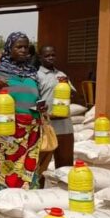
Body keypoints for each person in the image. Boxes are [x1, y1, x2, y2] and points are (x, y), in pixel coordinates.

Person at [0, 32, 45, 197]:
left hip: (30, 134)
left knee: (28, 172)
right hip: (7, 133)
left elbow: (34, 99)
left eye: (26, 47)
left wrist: (41, 108)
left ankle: (26, 205)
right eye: (18, 46)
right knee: (5, 171)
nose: (23, 50)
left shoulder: (32, 72)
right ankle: (2, 204)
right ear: (9, 48)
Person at [36, 45, 76, 174]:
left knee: (65, 166)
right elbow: (35, 100)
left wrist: (65, 86)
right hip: (47, 127)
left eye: (53, 55)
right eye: (47, 55)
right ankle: (38, 192)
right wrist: (46, 112)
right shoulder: (37, 76)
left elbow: (74, 94)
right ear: (40, 57)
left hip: (65, 127)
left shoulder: (61, 74)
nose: (50, 58)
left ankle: (62, 192)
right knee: (41, 166)